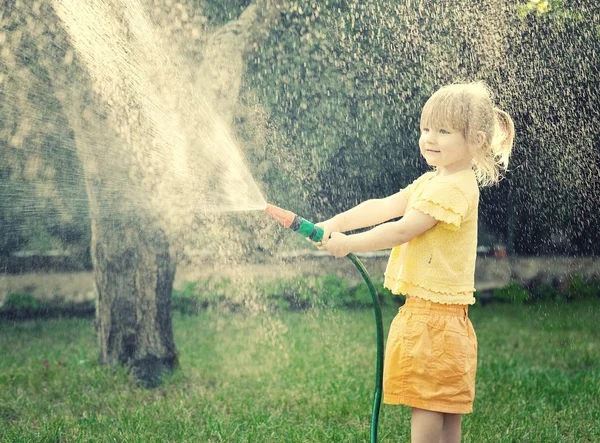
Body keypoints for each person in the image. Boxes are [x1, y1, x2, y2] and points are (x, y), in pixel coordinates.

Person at [315, 82, 515, 443]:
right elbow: (384, 206)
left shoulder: (452, 188)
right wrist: (337, 223)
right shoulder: (434, 181)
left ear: (477, 140)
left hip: (431, 321)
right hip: (445, 319)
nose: (429, 138)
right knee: (445, 410)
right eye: (426, 129)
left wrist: (348, 244)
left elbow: (401, 230)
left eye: (443, 130)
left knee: (427, 408)